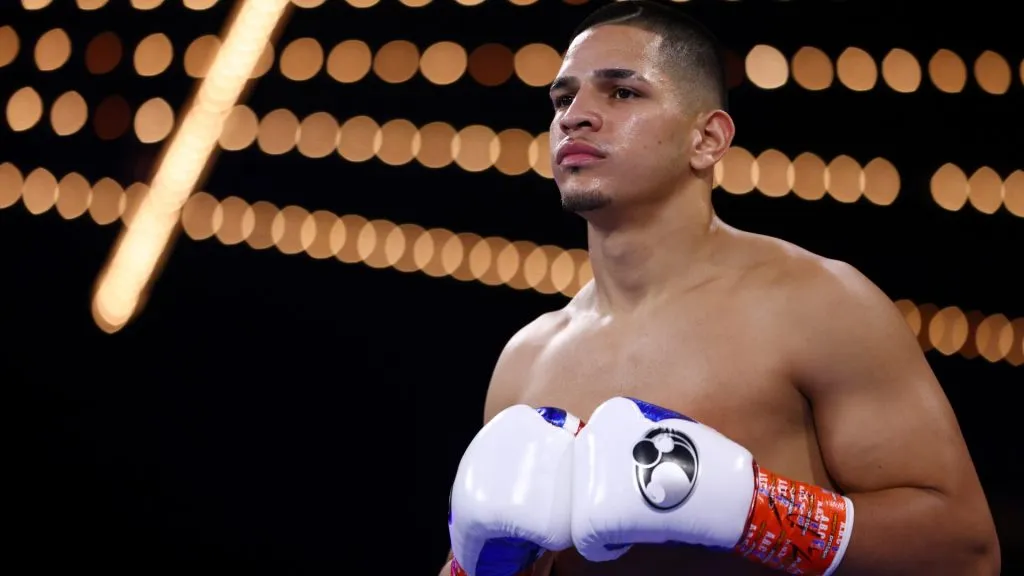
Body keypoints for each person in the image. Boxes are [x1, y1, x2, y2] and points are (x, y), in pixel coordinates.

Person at [442, 1, 1000, 575]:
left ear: (707, 139)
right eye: (563, 99)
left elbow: (967, 552)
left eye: (622, 93)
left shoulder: (814, 304)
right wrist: (471, 563)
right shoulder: (525, 362)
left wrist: (756, 512)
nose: (575, 116)